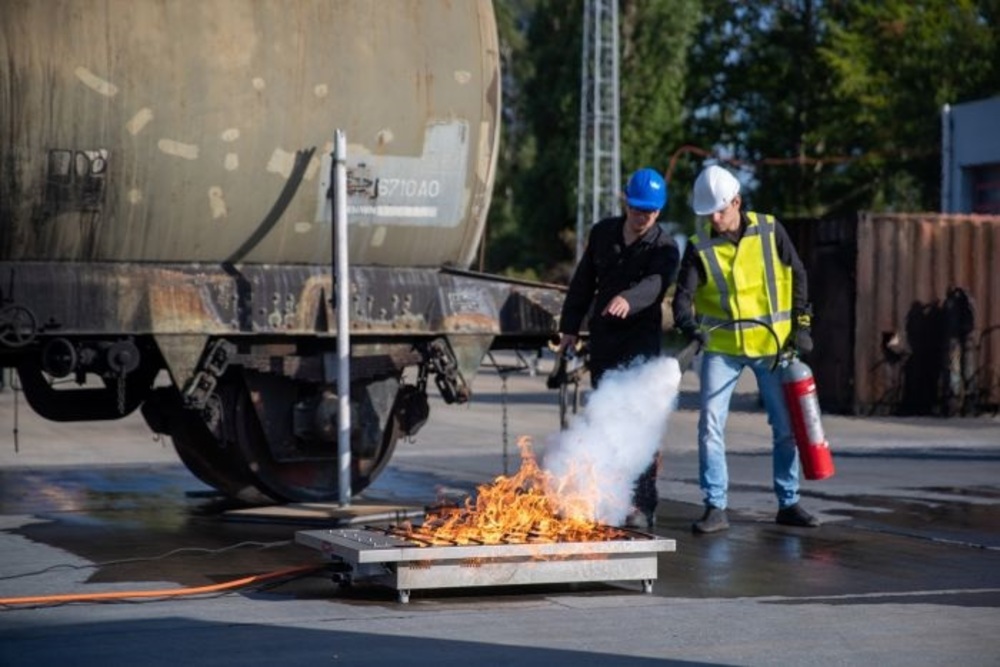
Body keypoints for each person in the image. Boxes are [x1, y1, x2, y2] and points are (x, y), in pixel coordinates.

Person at [672, 164, 819, 534]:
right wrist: (690, 327)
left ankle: (789, 502)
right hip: (722, 349)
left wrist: (802, 326)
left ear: (737, 202)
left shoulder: (771, 230)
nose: (714, 219)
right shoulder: (698, 246)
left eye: (720, 211)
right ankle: (715, 507)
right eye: (708, 214)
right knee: (710, 424)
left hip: (771, 344)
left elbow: (798, 274)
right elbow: (682, 298)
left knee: (785, 426)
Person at [557, 167, 680, 529]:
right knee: (606, 419)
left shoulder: (665, 247)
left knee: (638, 424)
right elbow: (582, 283)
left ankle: (642, 504)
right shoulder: (602, 234)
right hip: (604, 340)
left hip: (640, 345)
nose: (642, 217)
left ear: (659, 212)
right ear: (625, 200)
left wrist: (630, 298)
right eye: (637, 208)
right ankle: (606, 498)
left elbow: (657, 284)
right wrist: (569, 329)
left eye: (650, 212)